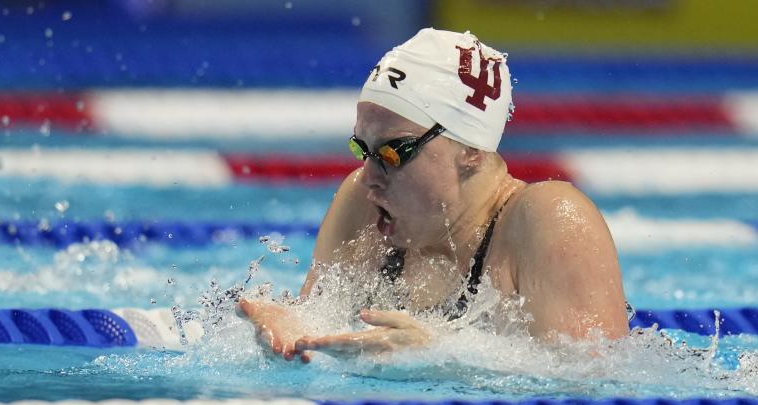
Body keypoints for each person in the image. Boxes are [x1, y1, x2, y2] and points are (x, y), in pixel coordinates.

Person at [239, 28, 629, 363]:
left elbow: (595, 383)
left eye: (396, 151)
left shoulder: (547, 220)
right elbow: (319, 334)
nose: (371, 176)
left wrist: (442, 350)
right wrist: (292, 329)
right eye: (363, 150)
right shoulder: (362, 201)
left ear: (472, 150)